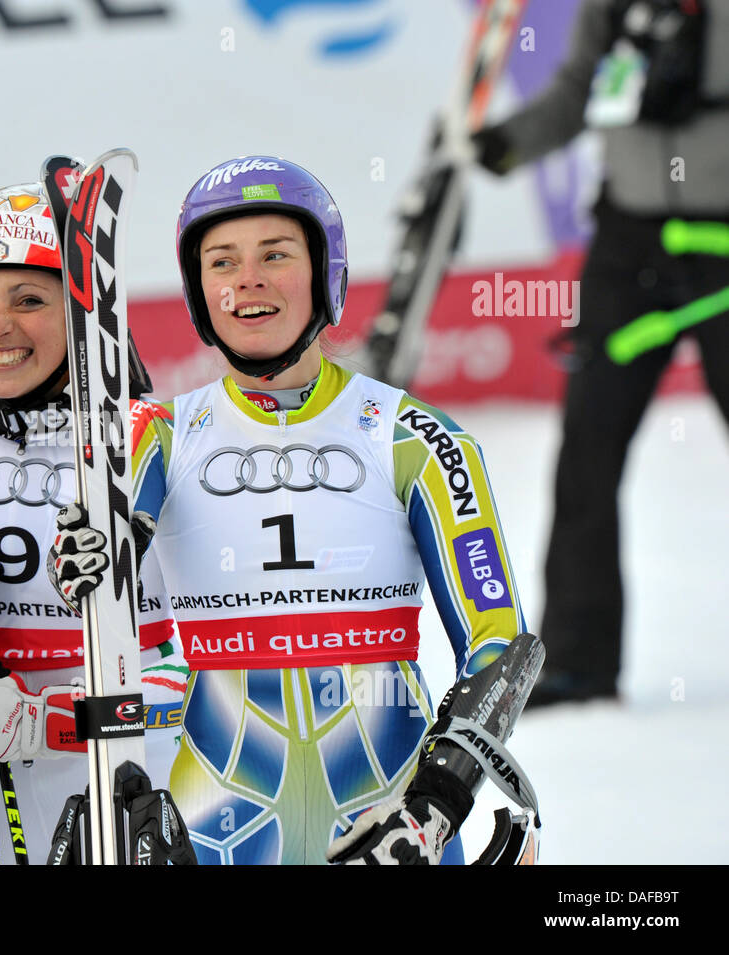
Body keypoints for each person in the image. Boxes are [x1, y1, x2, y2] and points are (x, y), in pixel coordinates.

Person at [49, 156, 529, 865]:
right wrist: (85, 542)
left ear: (324, 273)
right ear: (198, 290)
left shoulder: (416, 437)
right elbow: (91, 578)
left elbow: (503, 650)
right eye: (221, 261)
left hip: (392, 824)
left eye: (276, 254)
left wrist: (436, 803)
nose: (247, 279)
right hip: (220, 825)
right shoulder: (156, 435)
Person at [0, 181, 189, 864]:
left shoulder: (147, 439)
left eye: (29, 300)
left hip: (138, 782)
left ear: (78, 318)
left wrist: (44, 721)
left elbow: (208, 681)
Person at [471, 0, 729, 706]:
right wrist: (505, 144)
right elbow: (577, 91)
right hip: (627, 247)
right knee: (588, 450)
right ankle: (578, 661)